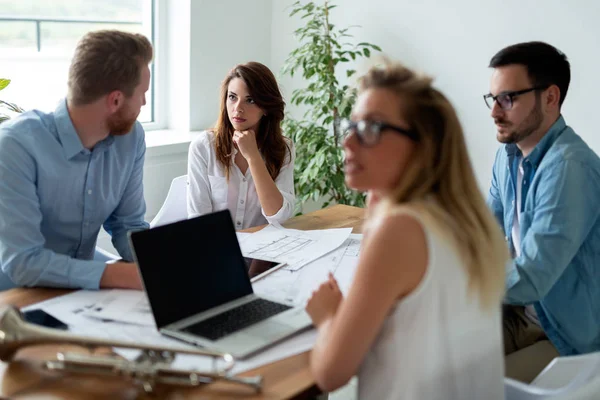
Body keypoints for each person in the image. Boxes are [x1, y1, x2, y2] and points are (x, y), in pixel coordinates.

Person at [305, 60, 509, 399]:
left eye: (371, 128)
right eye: (351, 126)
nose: (348, 143)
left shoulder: (400, 229)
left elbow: (330, 374)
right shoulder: (467, 221)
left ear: (422, 144)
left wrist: (327, 316)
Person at [0, 30, 153, 291]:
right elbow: (23, 262)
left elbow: (128, 224)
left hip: (81, 295)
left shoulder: (130, 138)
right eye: (142, 93)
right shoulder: (15, 146)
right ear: (115, 100)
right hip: (16, 298)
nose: (144, 102)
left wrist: (161, 261)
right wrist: (123, 276)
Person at [485, 42, 600, 359]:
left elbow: (530, 279)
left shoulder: (568, 169)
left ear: (550, 97)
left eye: (507, 99)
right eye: (493, 99)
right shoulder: (507, 157)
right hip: (518, 309)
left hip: (560, 331)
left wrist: (456, 279)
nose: (495, 111)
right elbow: (483, 231)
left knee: (457, 382)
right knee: (423, 343)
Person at [187, 61, 295, 230]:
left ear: (266, 107)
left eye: (250, 100)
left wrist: (253, 157)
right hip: (220, 249)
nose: (237, 108)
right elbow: (199, 220)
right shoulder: (203, 146)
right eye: (232, 97)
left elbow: (279, 216)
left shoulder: (283, 148)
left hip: (265, 251)